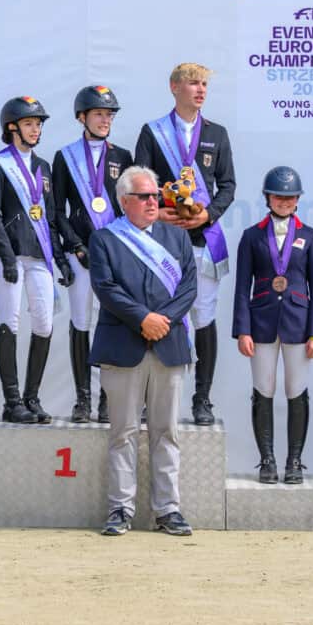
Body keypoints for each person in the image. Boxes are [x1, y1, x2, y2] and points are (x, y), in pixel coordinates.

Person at [90, 166, 197, 536]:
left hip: (168, 346)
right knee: (123, 432)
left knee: (166, 431)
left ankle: (168, 509)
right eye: (144, 196)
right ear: (124, 202)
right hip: (123, 346)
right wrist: (143, 320)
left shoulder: (176, 237)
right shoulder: (105, 239)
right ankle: (120, 509)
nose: (153, 202)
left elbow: (188, 288)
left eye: (156, 196)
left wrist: (161, 320)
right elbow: (106, 288)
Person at [134, 63, 236, 425]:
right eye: (193, 83)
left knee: (204, 316)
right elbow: (140, 183)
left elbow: (228, 186)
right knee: (159, 318)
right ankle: (152, 400)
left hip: (204, 240)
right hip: (164, 242)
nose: (201, 89)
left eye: (205, 83)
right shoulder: (153, 132)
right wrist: (158, 214)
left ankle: (202, 399)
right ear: (174, 87)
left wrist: (207, 215)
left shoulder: (217, 134)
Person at [232, 166, 313, 484]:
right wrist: (242, 330)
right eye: (277, 196)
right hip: (261, 324)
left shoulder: (311, 237)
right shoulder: (252, 236)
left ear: (298, 199)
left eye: (289, 197)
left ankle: (295, 462)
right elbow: (241, 286)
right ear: (267, 198)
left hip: (299, 325)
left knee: (296, 391)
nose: (283, 202)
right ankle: (268, 460)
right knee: (264, 390)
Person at [0, 96, 74, 424]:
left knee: (45, 323)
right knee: (11, 322)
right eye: (28, 124)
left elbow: (49, 217)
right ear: (12, 128)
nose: (35, 129)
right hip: (10, 257)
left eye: (38, 124)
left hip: (39, 256)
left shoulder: (43, 167)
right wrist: (6, 256)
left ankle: (31, 396)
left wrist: (60, 258)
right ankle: (11, 401)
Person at [53, 85, 133, 423]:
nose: (105, 120)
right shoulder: (65, 156)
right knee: (80, 324)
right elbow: (57, 210)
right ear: (81, 117)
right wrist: (75, 245)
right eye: (99, 114)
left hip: (112, 255)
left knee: (109, 325)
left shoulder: (123, 157)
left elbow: (129, 209)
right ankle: (82, 399)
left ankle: (106, 401)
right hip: (80, 253)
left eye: (109, 114)